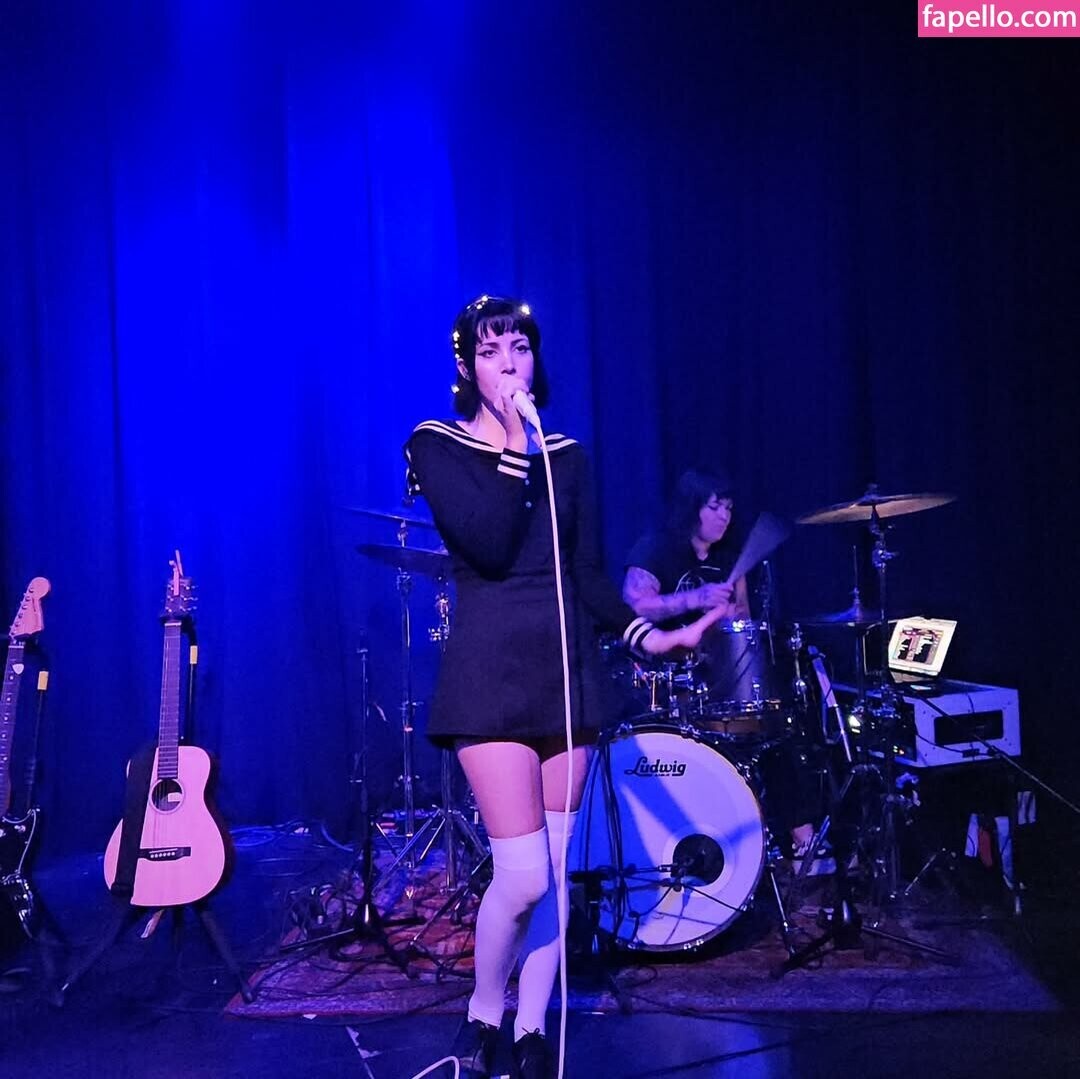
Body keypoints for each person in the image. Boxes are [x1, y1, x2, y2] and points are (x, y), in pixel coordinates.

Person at [404, 296, 725, 1079]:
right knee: (519, 875)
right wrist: (518, 442)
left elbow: (585, 575)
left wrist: (651, 635)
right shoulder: (435, 443)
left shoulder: (569, 456)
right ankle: (484, 1008)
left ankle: (531, 1025)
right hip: (489, 676)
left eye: (520, 346)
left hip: (566, 673)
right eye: (491, 350)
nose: (510, 362)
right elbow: (487, 541)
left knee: (554, 874)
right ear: (467, 366)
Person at [623, 470, 818, 860]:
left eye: (728, 508)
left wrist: (730, 615)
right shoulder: (657, 548)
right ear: (692, 508)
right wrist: (695, 600)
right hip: (669, 682)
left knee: (775, 735)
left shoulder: (731, 558)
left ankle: (804, 846)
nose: (724, 516)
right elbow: (634, 604)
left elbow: (740, 620)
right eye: (715, 507)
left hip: (723, 681)